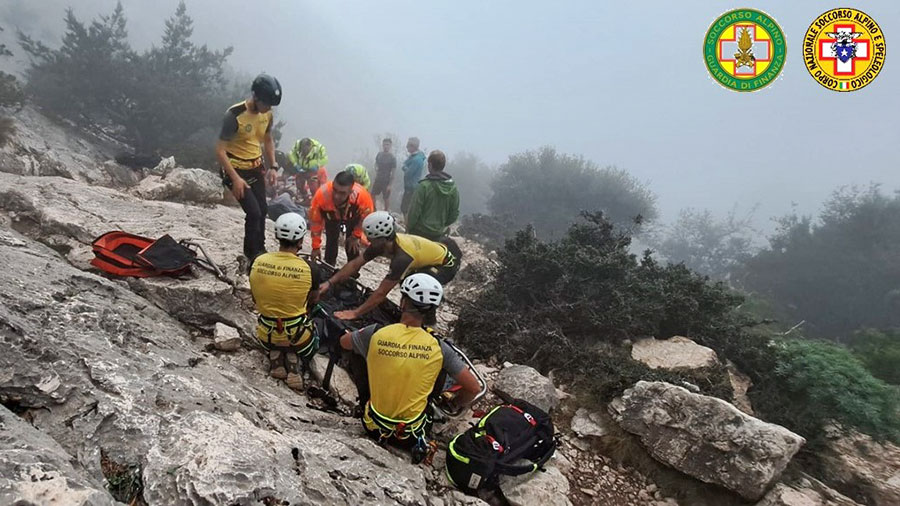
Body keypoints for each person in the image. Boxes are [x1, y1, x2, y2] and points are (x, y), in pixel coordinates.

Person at [340, 273, 480, 451]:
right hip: (410, 435)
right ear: (431, 310)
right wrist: (456, 402)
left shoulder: (375, 332)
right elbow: (474, 388)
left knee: (358, 351)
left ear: (403, 303)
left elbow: (344, 342)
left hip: (372, 427)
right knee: (439, 367)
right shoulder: (439, 346)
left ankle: (368, 402)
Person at [321, 211, 461, 321]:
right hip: (430, 255)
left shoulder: (401, 257)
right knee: (408, 283)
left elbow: (382, 292)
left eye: (370, 238)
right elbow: (355, 264)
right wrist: (329, 282)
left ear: (380, 237)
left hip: (445, 265)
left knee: (414, 286)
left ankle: (425, 320)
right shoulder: (381, 243)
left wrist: (355, 313)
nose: (368, 241)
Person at [249, 213, 320, 391]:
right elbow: (313, 300)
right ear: (300, 240)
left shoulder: (258, 261)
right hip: (299, 337)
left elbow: (255, 298)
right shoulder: (310, 268)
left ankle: (276, 355)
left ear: (277, 236)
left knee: (273, 326)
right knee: (314, 332)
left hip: (266, 335)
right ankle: (294, 359)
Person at [216, 74, 282, 262]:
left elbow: (268, 139)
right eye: (267, 103)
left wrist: (273, 166)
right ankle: (251, 254)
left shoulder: (266, 114)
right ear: (257, 97)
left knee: (262, 209)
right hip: (235, 168)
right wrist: (235, 179)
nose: (269, 108)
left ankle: (259, 249)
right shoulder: (234, 115)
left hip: (255, 167)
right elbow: (220, 151)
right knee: (253, 212)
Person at [308, 170, 375, 267]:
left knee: (352, 244)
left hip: (353, 215)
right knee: (331, 237)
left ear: (350, 192)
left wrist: (356, 235)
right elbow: (315, 222)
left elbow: (366, 219)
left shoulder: (362, 197)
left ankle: (352, 271)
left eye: (342, 193)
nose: (336, 196)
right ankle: (328, 266)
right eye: (334, 190)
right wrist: (315, 246)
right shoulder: (322, 195)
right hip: (331, 214)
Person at [406, 150, 460, 241]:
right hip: (438, 235)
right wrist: (442, 225)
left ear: (430, 165)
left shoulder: (424, 186)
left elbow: (414, 211)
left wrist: (409, 228)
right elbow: (454, 213)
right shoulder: (453, 188)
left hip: (419, 233)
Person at [288, 137, 329, 203]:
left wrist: (317, 165)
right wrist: (296, 164)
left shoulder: (319, 148)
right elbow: (291, 154)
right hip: (301, 168)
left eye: (306, 151)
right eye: (302, 151)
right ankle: (305, 197)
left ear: (310, 147)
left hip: (314, 169)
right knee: (299, 182)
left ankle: (314, 200)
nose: (304, 153)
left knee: (313, 185)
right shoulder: (297, 145)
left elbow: (325, 159)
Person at [400, 137, 425, 216]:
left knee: (405, 208)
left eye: (408, 145)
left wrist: (405, 167)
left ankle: (408, 226)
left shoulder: (416, 159)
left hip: (412, 187)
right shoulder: (413, 157)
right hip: (410, 186)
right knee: (407, 208)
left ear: (413, 146)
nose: (407, 147)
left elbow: (408, 173)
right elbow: (405, 163)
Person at [372, 138, 397, 211]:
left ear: (390, 146)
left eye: (387, 145)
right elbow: (376, 163)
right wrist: (376, 169)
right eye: (384, 144)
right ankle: (374, 209)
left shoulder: (392, 158)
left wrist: (390, 185)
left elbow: (393, 172)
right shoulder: (379, 155)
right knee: (372, 194)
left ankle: (386, 212)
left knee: (386, 198)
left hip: (386, 180)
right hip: (378, 178)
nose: (385, 146)